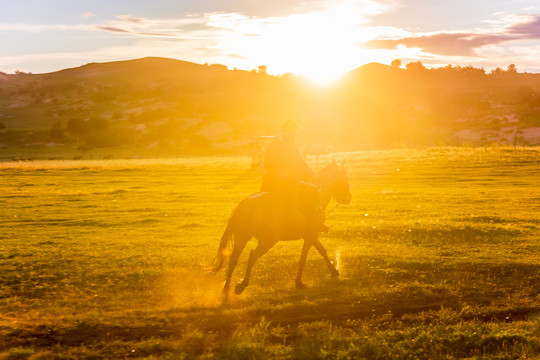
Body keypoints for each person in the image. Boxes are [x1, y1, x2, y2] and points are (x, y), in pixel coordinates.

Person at [261, 120, 327, 232]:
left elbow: (268, 162)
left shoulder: (276, 142)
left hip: (269, 180)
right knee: (313, 191)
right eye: (295, 131)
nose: (296, 133)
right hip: (284, 181)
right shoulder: (287, 144)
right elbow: (298, 161)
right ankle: (312, 225)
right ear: (290, 131)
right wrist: (312, 174)